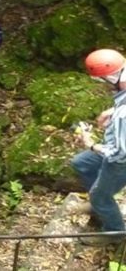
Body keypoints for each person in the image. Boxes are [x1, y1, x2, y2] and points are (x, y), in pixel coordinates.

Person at [72, 48, 126, 246]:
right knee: (81, 163)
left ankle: (114, 232)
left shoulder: (124, 116)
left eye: (102, 80)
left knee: (99, 194)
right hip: (118, 147)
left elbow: (120, 154)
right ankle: (100, 204)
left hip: (120, 160)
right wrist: (113, 110)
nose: (103, 86)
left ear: (111, 77)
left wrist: (92, 145)